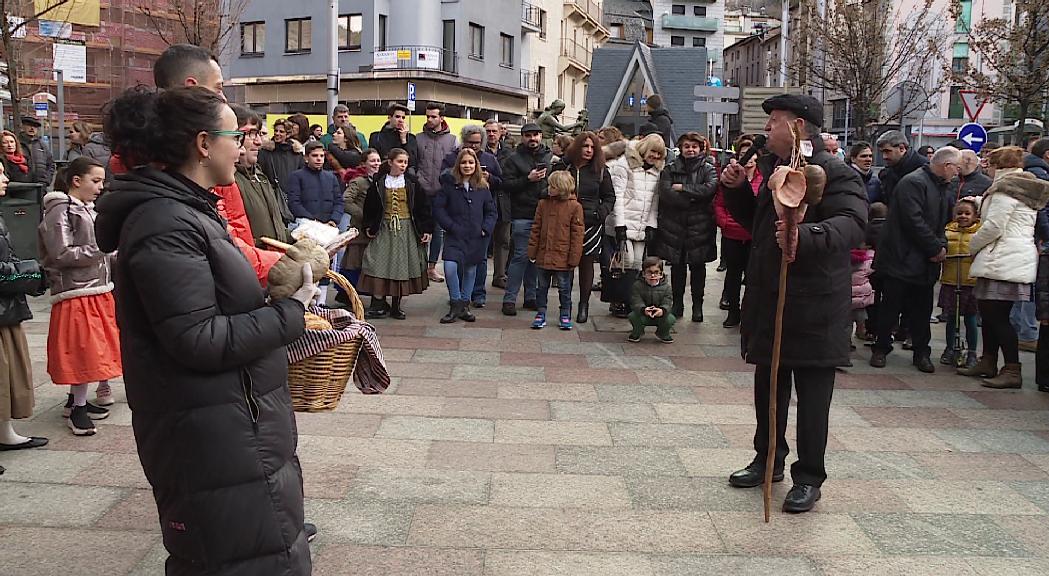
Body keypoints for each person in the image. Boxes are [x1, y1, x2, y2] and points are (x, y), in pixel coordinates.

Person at [94, 85, 316, 574]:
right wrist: (292, 311)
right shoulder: (165, 222)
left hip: (230, 426)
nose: (241, 146)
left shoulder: (188, 210)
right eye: (236, 135)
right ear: (202, 144)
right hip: (212, 435)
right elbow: (197, 338)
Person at [721, 93, 867, 513]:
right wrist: (735, 193)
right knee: (768, 389)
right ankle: (767, 460)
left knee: (813, 395)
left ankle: (809, 476)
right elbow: (759, 224)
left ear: (799, 126)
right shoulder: (773, 170)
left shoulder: (835, 172)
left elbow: (853, 225)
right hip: (770, 298)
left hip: (815, 305)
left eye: (774, 122)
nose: (767, 130)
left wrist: (809, 237)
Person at [39, 157, 122, 435]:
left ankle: (77, 400)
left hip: (94, 288)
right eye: (95, 181)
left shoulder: (85, 209)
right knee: (84, 350)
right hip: (75, 291)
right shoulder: (60, 210)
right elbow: (60, 253)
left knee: (92, 348)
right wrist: (104, 249)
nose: (101, 187)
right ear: (77, 181)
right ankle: (78, 408)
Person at [960, 146, 1049, 388]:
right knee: (990, 315)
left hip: (1002, 260)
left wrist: (972, 246)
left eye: (988, 163)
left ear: (997, 167)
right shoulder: (1020, 188)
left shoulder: (1004, 191)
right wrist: (978, 201)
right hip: (1011, 258)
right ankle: (988, 361)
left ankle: (1011, 369)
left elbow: (994, 226)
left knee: (997, 317)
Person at [870, 147, 961, 373]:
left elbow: (944, 222)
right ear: (947, 165)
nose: (957, 173)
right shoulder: (913, 183)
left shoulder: (942, 187)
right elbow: (913, 220)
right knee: (891, 306)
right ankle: (881, 348)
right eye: (956, 168)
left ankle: (922, 352)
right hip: (901, 257)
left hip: (924, 261)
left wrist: (941, 246)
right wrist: (934, 247)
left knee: (921, 310)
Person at [0, 162, 48, 453]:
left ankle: (5, 433)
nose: (6, 178)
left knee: (7, 375)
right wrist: (30, 273)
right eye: (0, 173)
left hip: (6, 308)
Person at [651, 131, 718, 322]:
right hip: (675, 225)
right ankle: (677, 304)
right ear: (681, 148)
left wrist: (684, 188)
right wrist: (692, 200)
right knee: (677, 268)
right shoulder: (671, 168)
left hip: (700, 226)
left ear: (700, 148)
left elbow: (709, 189)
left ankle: (698, 306)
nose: (690, 150)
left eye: (694, 146)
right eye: (687, 146)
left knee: (698, 268)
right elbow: (665, 192)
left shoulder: (708, 168)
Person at [360, 148, 433, 319]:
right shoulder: (379, 183)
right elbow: (369, 208)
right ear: (390, 162)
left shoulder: (412, 183)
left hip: (406, 229)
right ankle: (378, 303)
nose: (403, 165)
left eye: (406, 162)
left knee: (401, 265)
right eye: (400, 161)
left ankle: (396, 305)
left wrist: (427, 228)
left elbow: (423, 208)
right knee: (376, 262)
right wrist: (369, 226)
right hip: (384, 227)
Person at [551, 131, 615, 323]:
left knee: (587, 264)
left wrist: (600, 213)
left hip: (591, 223)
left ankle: (584, 305)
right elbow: (548, 189)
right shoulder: (563, 166)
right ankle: (566, 304)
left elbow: (610, 197)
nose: (588, 150)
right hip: (565, 222)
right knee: (566, 264)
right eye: (585, 146)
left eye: (592, 147)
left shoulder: (601, 170)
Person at [440, 125, 504, 308]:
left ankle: (475, 294)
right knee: (453, 264)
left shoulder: (490, 159)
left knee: (478, 261)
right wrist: (457, 174)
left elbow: (501, 182)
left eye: (477, 143)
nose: (474, 146)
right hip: (457, 220)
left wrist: (488, 177)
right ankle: (457, 296)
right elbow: (442, 180)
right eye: (470, 142)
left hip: (479, 219)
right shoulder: (452, 158)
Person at [434, 148, 497, 323]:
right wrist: (451, 226)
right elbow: (439, 209)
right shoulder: (449, 185)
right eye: (463, 162)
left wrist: (485, 228)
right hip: (455, 235)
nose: (467, 166)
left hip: (476, 236)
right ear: (458, 165)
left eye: (470, 162)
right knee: (450, 268)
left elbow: (491, 211)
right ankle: (455, 301)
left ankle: (464, 304)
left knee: (470, 270)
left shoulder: (482, 187)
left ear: (476, 165)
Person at [607, 133, 665, 316]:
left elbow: (654, 201)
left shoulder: (657, 171)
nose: (655, 156)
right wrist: (620, 225)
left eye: (659, 153)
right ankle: (618, 299)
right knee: (626, 260)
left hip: (641, 223)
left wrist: (651, 225)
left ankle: (630, 300)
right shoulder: (624, 164)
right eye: (653, 151)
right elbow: (617, 196)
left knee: (638, 263)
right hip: (623, 220)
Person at [501, 123, 552, 316]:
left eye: (536, 135)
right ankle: (510, 299)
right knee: (521, 256)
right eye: (528, 135)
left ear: (541, 136)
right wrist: (527, 179)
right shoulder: (513, 159)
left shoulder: (548, 157)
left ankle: (531, 296)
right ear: (522, 137)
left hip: (543, 213)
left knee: (535, 258)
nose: (533, 139)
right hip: (522, 213)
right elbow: (506, 185)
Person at [527, 170, 584, 330]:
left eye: (553, 186)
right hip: (544, 254)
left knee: (564, 289)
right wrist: (532, 251)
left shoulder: (575, 207)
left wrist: (574, 258)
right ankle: (541, 313)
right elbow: (536, 229)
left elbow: (577, 234)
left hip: (563, 257)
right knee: (541, 287)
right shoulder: (543, 204)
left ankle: (565, 314)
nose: (549, 188)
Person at [715, 137, 762, 328]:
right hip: (733, 235)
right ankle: (733, 311)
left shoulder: (763, 178)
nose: (749, 159)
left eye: (751, 155)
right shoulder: (731, 176)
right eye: (744, 155)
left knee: (753, 277)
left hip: (754, 236)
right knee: (733, 275)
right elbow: (719, 202)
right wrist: (725, 223)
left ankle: (750, 313)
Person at [233, 107, 292, 248]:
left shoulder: (259, 175)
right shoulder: (226, 181)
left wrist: (300, 240)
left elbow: (274, 226)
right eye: (251, 134)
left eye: (259, 134)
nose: (259, 142)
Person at [417, 102, 459, 284]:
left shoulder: (452, 140)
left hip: (442, 192)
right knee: (420, 229)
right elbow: (413, 162)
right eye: (428, 116)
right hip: (421, 190)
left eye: (434, 116)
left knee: (438, 230)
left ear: (442, 118)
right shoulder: (418, 138)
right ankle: (418, 266)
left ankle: (431, 267)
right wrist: (417, 178)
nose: (430, 119)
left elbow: (455, 166)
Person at [939, 198, 981, 368]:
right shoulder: (947, 231)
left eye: (967, 213)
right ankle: (950, 348)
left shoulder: (979, 232)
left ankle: (972, 351)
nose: (963, 216)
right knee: (951, 317)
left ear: (975, 215)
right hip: (950, 280)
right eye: (959, 213)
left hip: (970, 283)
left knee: (970, 319)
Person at [338, 149, 382, 289]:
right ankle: (347, 292)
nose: (376, 164)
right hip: (359, 230)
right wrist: (363, 215)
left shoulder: (382, 180)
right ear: (364, 164)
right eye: (373, 161)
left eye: (378, 160)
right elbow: (345, 200)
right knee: (354, 264)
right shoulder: (359, 182)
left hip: (376, 231)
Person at [286, 141, 345, 228]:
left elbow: (339, 202)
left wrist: (334, 219)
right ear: (306, 158)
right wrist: (312, 220)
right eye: (314, 155)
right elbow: (294, 203)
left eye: (322, 156)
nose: (319, 159)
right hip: (305, 225)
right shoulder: (296, 176)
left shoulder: (331, 177)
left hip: (330, 225)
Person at [258, 119, 305, 213]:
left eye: (281, 131)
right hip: (271, 197)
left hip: (292, 197)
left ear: (288, 134)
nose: (277, 133)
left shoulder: (296, 153)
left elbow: (301, 175)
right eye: (276, 130)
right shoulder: (266, 152)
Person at [627, 256, 676, 343]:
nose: (653, 276)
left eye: (656, 272)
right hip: (643, 313)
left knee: (670, 319)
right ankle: (638, 332)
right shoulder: (637, 286)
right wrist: (644, 309)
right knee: (633, 316)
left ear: (661, 274)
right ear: (643, 274)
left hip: (660, 314)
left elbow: (668, 302)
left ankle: (663, 333)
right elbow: (636, 301)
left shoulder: (667, 287)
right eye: (649, 273)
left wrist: (662, 310)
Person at [876, 130, 928, 207]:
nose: (884, 157)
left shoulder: (925, 168)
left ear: (901, 148)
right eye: (882, 152)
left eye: (887, 151)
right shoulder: (888, 173)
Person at [369, 102, 419, 167]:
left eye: (403, 117)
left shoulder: (410, 138)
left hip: (404, 175)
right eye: (397, 117)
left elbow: (412, 162)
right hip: (383, 174)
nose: (401, 120)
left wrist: (404, 141)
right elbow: (373, 160)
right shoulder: (376, 137)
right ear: (389, 117)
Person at [18, 116, 55, 186]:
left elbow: (51, 164)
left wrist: (47, 180)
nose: (32, 128)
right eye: (29, 125)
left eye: (35, 126)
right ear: (22, 126)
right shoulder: (16, 144)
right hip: (21, 185)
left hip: (41, 185)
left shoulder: (42, 145)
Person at [850, 245, 875, 348]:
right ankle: (861, 332)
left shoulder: (842, 261)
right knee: (861, 318)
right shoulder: (867, 262)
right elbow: (875, 267)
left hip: (846, 298)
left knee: (846, 322)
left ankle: (847, 341)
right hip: (861, 298)